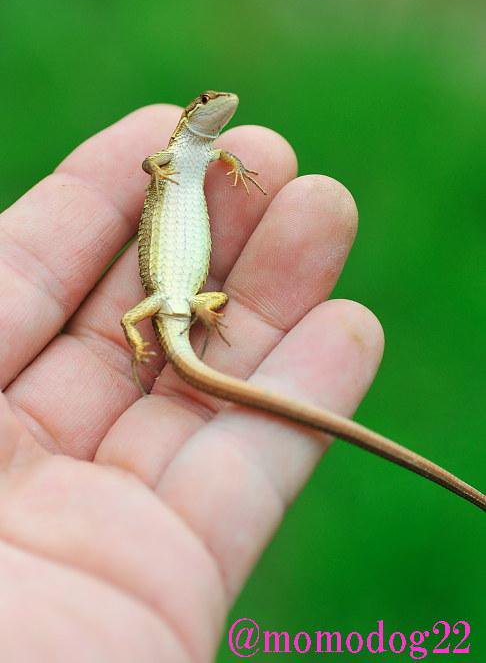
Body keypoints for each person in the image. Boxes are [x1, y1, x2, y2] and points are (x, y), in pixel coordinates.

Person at [0, 104, 383, 661]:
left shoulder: (207, 153)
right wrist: (141, 342)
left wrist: (236, 167)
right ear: (190, 115)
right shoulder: (174, 152)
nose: (221, 102)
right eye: (207, 100)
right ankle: (181, 326)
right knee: (177, 318)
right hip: (177, 298)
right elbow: (149, 164)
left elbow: (220, 156)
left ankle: (195, 318)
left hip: (177, 295)